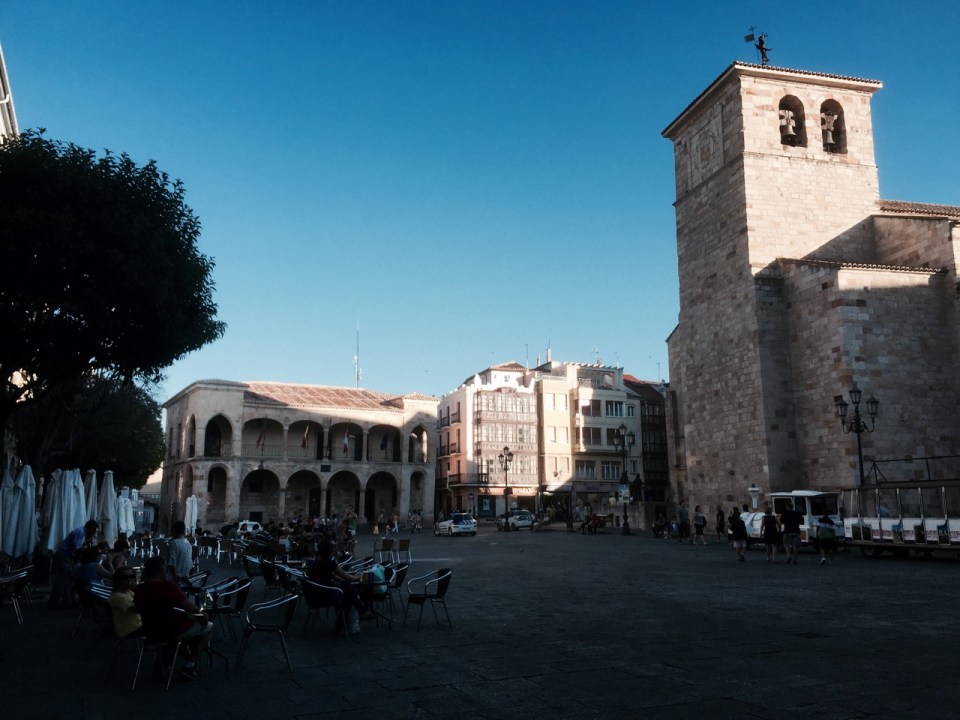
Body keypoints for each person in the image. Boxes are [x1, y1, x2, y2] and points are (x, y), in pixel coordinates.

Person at [134, 555, 212, 679]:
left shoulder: (139, 590)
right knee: (207, 626)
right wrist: (202, 615)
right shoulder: (168, 587)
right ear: (161, 570)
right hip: (173, 630)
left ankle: (177, 662)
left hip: (151, 632)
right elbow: (191, 608)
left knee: (182, 634)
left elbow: (138, 608)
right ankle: (191, 663)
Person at [307, 540, 374, 635]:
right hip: (325, 594)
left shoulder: (317, 562)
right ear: (330, 551)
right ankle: (360, 613)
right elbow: (346, 576)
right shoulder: (329, 563)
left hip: (316, 592)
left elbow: (334, 576)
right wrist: (357, 578)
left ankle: (343, 625)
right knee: (348, 593)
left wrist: (344, 582)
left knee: (348, 591)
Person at [49, 519, 99, 607]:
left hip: (63, 556)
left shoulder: (82, 532)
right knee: (63, 579)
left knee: (64, 579)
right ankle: (58, 601)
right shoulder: (81, 532)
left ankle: (63, 600)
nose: (94, 533)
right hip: (63, 555)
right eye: (94, 530)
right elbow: (77, 548)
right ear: (91, 528)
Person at [108, 567, 143, 639]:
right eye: (124, 578)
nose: (129, 580)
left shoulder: (127, 591)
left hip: (136, 626)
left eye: (131, 577)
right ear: (118, 580)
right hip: (130, 630)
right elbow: (140, 609)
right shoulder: (119, 597)